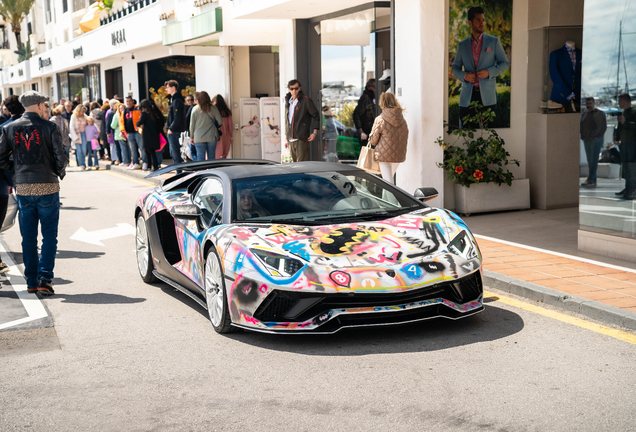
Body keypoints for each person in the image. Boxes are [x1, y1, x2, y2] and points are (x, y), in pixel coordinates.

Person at [0, 90, 67, 296]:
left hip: (24, 187)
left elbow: (1, 159)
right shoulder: (50, 127)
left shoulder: (9, 128)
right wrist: (57, 171)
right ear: (38, 105)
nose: (46, 108)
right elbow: (61, 158)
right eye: (45, 105)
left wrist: (18, 171)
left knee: (28, 237)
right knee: (49, 236)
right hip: (47, 185)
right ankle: (45, 279)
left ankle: (31, 281)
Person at [451, 6, 510, 127]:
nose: (481, 23)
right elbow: (455, 68)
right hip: (467, 96)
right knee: (467, 135)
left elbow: (505, 63)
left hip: (487, 96)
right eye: (478, 20)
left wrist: (489, 72)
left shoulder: (493, 42)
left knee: (487, 135)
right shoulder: (462, 45)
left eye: (483, 20)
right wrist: (465, 75)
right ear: (470, 23)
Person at [368, 92, 409, 185]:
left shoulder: (380, 119)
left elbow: (373, 141)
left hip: (384, 156)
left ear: (382, 103)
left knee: (388, 184)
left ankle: (394, 200)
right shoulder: (403, 120)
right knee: (387, 183)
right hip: (398, 155)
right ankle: (385, 200)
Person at [284, 79, 319, 162]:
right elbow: (287, 120)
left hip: (301, 138)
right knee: (294, 166)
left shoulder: (306, 100)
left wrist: (314, 132)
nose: (294, 91)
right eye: (292, 89)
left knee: (301, 165)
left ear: (299, 88)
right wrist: (286, 137)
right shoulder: (288, 102)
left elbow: (316, 115)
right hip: (290, 139)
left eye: (296, 88)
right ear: (289, 89)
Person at [580, 97, 607, 187]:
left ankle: (591, 178)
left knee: (593, 160)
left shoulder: (600, 113)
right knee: (589, 160)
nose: (588, 105)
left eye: (590, 103)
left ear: (594, 103)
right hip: (587, 140)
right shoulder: (584, 114)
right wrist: (583, 136)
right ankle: (592, 178)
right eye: (587, 104)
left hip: (596, 140)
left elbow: (603, 127)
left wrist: (597, 137)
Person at [189, 91, 222, 161]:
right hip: (211, 136)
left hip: (198, 137)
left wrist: (192, 137)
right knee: (211, 157)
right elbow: (220, 121)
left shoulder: (194, 109)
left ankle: (202, 172)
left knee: (200, 157)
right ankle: (211, 171)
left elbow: (192, 125)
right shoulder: (213, 108)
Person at [615, 93, 636, 200]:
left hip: (632, 143)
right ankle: (628, 188)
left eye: (619, 101)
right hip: (624, 144)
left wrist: (625, 122)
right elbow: (620, 127)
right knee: (626, 167)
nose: (618, 103)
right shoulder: (623, 112)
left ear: (624, 101)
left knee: (632, 167)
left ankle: (632, 190)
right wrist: (617, 138)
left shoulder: (634, 111)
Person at [136, 99, 165, 172]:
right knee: (151, 151)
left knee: (148, 151)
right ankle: (152, 166)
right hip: (154, 134)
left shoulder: (144, 114)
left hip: (147, 135)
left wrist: (137, 123)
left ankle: (152, 166)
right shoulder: (153, 113)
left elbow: (139, 122)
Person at [121, 96, 145, 170]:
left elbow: (142, 119)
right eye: (127, 101)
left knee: (142, 148)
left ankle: (145, 162)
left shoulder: (138, 109)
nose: (128, 103)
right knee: (133, 149)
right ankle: (136, 163)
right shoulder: (125, 110)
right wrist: (122, 130)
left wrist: (141, 129)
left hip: (137, 132)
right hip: (129, 133)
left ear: (133, 101)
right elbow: (122, 121)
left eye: (130, 101)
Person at [165, 80, 185, 170]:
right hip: (173, 130)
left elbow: (177, 117)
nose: (166, 89)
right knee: (173, 153)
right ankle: (178, 171)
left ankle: (179, 173)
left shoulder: (177, 100)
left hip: (174, 131)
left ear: (173, 87)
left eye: (168, 87)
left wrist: (171, 128)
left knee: (175, 153)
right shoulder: (174, 99)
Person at [353, 79, 377, 147]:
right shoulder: (365, 98)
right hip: (366, 133)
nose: (375, 90)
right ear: (368, 87)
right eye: (374, 87)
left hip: (371, 132)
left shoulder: (373, 98)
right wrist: (360, 131)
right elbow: (356, 114)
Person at [213, 94, 233, 159]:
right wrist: (231, 136)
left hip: (215, 134)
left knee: (216, 153)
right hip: (226, 134)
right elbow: (230, 124)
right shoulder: (227, 112)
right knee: (224, 153)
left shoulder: (213, 111)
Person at [69, 104, 89, 170]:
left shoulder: (85, 116)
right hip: (77, 134)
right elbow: (71, 127)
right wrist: (74, 136)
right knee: (79, 150)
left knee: (84, 150)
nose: (83, 113)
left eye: (84, 111)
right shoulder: (73, 116)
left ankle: (83, 162)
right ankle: (82, 165)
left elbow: (90, 122)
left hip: (83, 134)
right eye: (82, 111)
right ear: (79, 110)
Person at [112, 102, 131, 166]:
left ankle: (125, 161)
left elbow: (113, 125)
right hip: (127, 133)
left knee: (123, 148)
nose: (121, 110)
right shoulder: (127, 114)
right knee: (128, 148)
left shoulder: (117, 115)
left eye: (122, 108)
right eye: (120, 109)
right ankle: (129, 161)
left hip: (120, 134)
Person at [106, 99, 121, 164]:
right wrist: (108, 132)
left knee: (116, 146)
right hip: (113, 131)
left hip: (115, 131)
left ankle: (117, 159)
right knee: (114, 146)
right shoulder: (111, 112)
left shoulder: (111, 112)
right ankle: (115, 159)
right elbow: (108, 122)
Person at [185, 95, 197, 159]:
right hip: (190, 131)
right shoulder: (185, 108)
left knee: (192, 151)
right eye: (188, 100)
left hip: (193, 132)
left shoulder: (194, 107)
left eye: (191, 100)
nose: (190, 101)